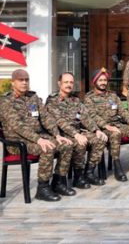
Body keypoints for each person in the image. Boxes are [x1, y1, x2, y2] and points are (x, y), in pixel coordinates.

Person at [0, 69, 74, 201]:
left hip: (38, 138)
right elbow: (17, 126)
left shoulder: (33, 97)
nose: (24, 83)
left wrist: (57, 135)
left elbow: (46, 117)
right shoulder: (6, 102)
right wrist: (38, 139)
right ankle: (43, 188)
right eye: (20, 80)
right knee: (48, 148)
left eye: (26, 80)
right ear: (13, 83)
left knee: (66, 144)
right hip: (18, 143)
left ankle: (58, 182)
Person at [44, 72, 108, 189]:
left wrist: (96, 130)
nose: (69, 85)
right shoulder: (52, 101)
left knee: (100, 139)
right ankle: (77, 177)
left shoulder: (75, 100)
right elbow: (60, 121)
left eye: (71, 82)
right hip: (62, 134)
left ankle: (88, 173)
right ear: (59, 83)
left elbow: (85, 117)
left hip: (78, 131)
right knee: (80, 143)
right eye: (66, 82)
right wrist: (76, 135)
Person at [84, 68, 129, 181]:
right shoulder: (89, 98)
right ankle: (117, 167)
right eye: (100, 80)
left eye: (104, 80)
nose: (103, 83)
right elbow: (92, 115)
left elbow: (122, 111)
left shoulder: (112, 96)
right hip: (102, 128)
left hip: (117, 125)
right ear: (94, 82)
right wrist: (106, 126)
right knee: (115, 134)